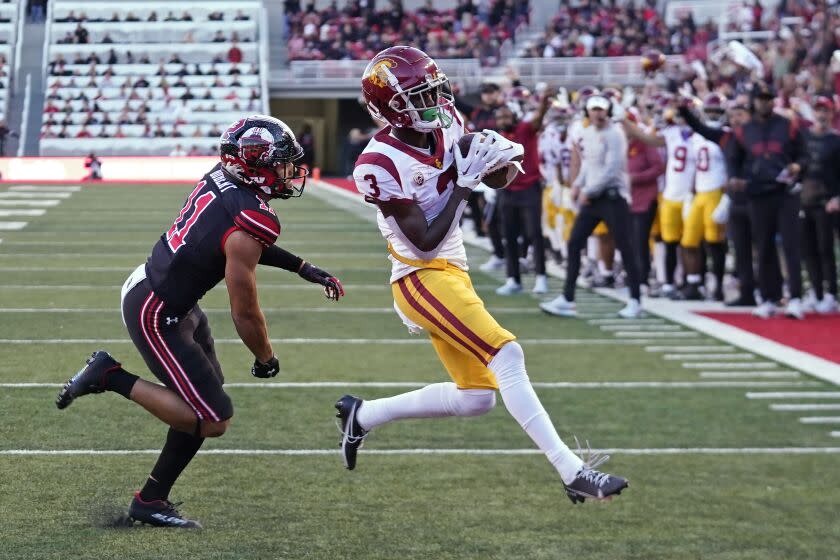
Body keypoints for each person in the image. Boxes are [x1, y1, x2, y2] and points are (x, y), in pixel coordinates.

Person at [338, 46, 628, 505]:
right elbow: (423, 242)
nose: (434, 101)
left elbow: (493, 173)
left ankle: (363, 415)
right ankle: (572, 469)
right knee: (506, 355)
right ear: (391, 109)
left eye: (434, 89)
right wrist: (463, 184)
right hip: (418, 275)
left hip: (454, 270)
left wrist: (499, 164)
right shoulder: (377, 164)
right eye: (419, 95)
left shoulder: (447, 119)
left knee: (477, 398)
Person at [55, 116, 345, 528]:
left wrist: (302, 267)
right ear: (254, 164)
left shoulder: (225, 180)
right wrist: (266, 357)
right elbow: (244, 310)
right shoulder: (248, 216)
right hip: (157, 311)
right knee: (213, 419)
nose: (288, 172)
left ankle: (151, 499)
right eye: (280, 163)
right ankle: (109, 376)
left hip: (169, 294)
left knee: (206, 397)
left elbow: (234, 241)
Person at [681, 82, 807, 318]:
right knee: (762, 248)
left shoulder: (786, 126)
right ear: (754, 102)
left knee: (790, 246)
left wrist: (798, 166)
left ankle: (796, 297)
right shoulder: (740, 133)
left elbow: (803, 153)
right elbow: (734, 159)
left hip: (784, 192)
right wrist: (736, 178)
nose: (764, 102)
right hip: (756, 194)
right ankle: (768, 297)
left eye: (768, 98)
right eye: (760, 99)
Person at [539, 94, 642, 319]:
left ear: (608, 111)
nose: (597, 113)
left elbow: (613, 168)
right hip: (594, 199)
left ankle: (635, 299)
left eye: (601, 109)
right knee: (574, 243)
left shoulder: (615, 134)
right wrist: (578, 185)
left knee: (625, 247)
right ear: (588, 111)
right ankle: (567, 298)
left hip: (613, 199)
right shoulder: (587, 133)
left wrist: (588, 190)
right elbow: (588, 164)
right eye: (594, 109)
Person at [624, 102, 697, 299]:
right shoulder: (669, 133)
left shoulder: (699, 135)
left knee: (689, 242)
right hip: (669, 193)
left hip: (683, 193)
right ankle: (669, 281)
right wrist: (626, 122)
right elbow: (649, 139)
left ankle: (691, 281)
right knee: (669, 241)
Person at [494, 92, 552, 296]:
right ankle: (513, 279)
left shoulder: (525, 129)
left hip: (529, 188)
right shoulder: (497, 137)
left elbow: (538, 120)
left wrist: (544, 104)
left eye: (506, 117)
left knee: (534, 234)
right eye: (500, 118)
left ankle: (541, 277)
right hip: (507, 191)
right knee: (508, 236)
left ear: (515, 116)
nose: (502, 121)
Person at [799, 96, 840, 313]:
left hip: (826, 201)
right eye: (818, 111)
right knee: (808, 249)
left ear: (831, 114)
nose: (821, 115)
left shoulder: (836, 140)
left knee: (825, 249)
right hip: (805, 199)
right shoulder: (804, 137)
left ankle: (831, 293)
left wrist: (837, 197)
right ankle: (816, 290)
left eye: (825, 111)